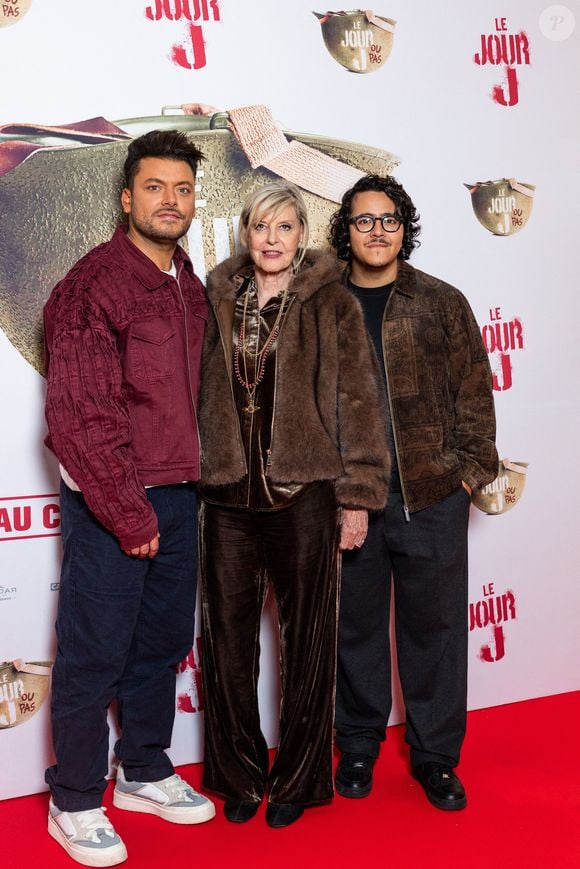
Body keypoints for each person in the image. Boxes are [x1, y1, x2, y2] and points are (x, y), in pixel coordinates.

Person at [43, 129, 215, 867]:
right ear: (126, 197)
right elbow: (79, 415)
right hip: (119, 503)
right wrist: (126, 509)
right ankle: (74, 798)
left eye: (181, 189)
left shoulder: (187, 282)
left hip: (182, 498)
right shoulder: (92, 285)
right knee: (92, 655)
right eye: (155, 187)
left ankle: (142, 767)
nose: (169, 200)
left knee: (162, 647)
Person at [198, 181, 390, 828]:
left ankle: (299, 780)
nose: (272, 239)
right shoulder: (218, 297)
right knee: (226, 641)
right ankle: (238, 773)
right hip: (226, 492)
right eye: (261, 227)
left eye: (285, 227)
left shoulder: (331, 303)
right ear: (245, 235)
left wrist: (358, 495)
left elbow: (358, 404)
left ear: (301, 235)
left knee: (308, 641)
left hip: (305, 491)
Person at [329, 174, 498, 811]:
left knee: (438, 631)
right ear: (345, 230)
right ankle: (361, 745)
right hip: (352, 501)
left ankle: (435, 757)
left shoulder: (441, 301)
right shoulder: (324, 304)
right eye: (364, 220)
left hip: (432, 496)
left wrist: (465, 474)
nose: (378, 231)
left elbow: (475, 397)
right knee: (356, 628)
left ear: (406, 227)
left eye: (389, 219)